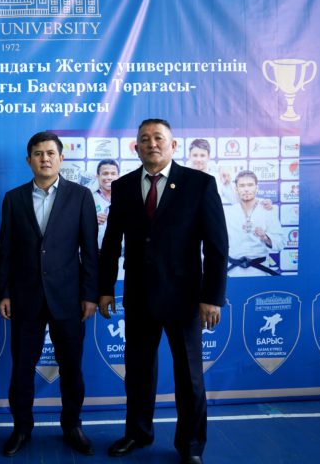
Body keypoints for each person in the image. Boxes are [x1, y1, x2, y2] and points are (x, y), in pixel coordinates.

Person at [98, 119, 228, 464]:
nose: (151, 143)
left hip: (184, 298)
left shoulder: (199, 184)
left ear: (173, 145)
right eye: (144, 139)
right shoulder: (124, 186)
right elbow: (111, 242)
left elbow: (217, 246)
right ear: (136, 147)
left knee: (189, 376)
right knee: (138, 372)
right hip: (139, 296)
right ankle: (137, 433)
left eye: (158, 138)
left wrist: (212, 297)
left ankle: (191, 446)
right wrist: (105, 288)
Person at [0, 132, 99, 456]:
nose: (45, 159)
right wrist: (4, 292)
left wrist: (90, 294)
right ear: (28, 160)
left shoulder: (81, 196)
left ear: (61, 158)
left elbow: (90, 250)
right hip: (25, 297)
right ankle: (21, 428)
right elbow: (5, 251)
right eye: (38, 154)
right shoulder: (13, 199)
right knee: (22, 368)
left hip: (68, 298)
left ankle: (72, 426)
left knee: (71, 368)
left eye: (50, 153)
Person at [224, 170, 283, 276]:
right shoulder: (228, 212)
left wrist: (265, 237)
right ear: (236, 189)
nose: (246, 189)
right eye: (242, 186)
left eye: (250, 185)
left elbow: (280, 243)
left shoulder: (267, 211)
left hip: (260, 271)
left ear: (257, 188)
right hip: (233, 272)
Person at [186, 139, 235, 204]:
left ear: (209, 157)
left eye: (202, 155)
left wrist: (227, 185)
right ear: (189, 156)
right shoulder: (181, 178)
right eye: (195, 155)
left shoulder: (218, 178)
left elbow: (233, 201)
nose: (198, 159)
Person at [93, 159, 120, 248]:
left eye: (113, 174)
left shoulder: (127, 198)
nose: (109, 177)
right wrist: (91, 221)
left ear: (118, 176)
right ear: (97, 176)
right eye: (105, 173)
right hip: (96, 250)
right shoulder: (88, 197)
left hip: (122, 252)